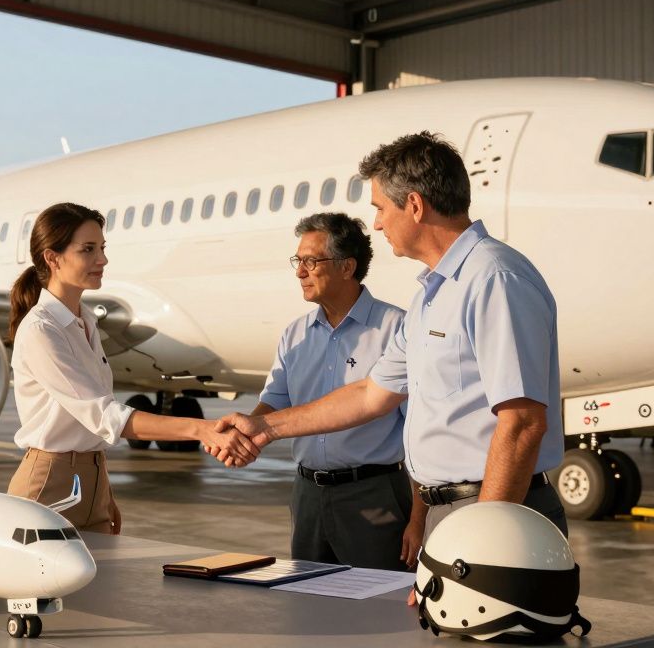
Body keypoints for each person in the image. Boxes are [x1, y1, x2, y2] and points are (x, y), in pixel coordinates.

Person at [215, 131, 567, 542]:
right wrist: (265, 428)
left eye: (381, 208)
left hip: (493, 511)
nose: (378, 222)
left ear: (414, 205)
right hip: (454, 512)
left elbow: (523, 422)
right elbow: (370, 394)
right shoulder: (431, 298)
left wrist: (481, 543)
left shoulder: (494, 279)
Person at [8, 202, 258, 534]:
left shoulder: (84, 321)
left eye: (102, 248)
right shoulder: (42, 330)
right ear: (53, 258)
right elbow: (103, 415)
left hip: (91, 482)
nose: (103, 259)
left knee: (98, 586)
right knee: (42, 588)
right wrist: (201, 430)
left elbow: (91, 427)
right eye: (88, 249)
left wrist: (102, 491)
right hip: (49, 484)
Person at [252, 213, 423, 570]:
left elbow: (420, 434)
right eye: (298, 261)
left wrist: (419, 519)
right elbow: (274, 403)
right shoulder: (294, 335)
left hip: (374, 492)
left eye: (311, 261)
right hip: (308, 495)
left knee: (378, 605)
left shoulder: (398, 329)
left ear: (347, 267)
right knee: (309, 605)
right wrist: (242, 433)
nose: (300, 271)